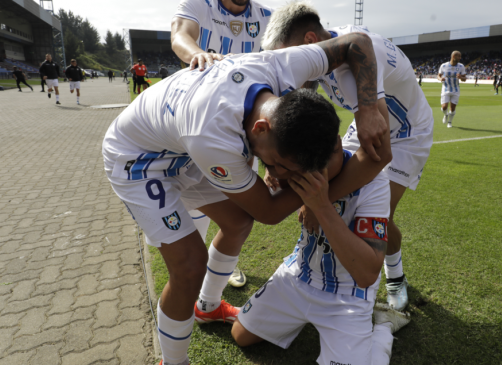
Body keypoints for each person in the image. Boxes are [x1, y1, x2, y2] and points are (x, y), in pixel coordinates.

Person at [103, 36, 389, 365]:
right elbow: (268, 211)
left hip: (181, 147)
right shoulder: (214, 138)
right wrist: (315, 196)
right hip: (138, 160)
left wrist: (367, 108)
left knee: (237, 222)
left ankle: (207, 308)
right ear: (261, 127)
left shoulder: (280, 64)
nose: (279, 176)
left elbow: (357, 43)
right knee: (188, 266)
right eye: (280, 166)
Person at [261, 2, 433, 313]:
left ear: (310, 42)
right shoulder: (329, 49)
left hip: (407, 134)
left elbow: (379, 154)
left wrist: (317, 203)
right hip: (366, 125)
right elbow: (304, 92)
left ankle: (394, 274)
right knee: (329, 190)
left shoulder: (352, 64)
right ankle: (308, 265)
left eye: (289, 58)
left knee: (379, 214)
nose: (289, 70)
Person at [232, 143, 410, 365]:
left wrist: (321, 206)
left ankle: (383, 328)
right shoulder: (295, 166)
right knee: (240, 335)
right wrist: (271, 170)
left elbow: (367, 274)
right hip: (299, 274)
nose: (311, 173)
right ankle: (300, 319)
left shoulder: (374, 182)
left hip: (347, 293)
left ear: (336, 143)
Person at [170, 0, 275, 287]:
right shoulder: (198, 4)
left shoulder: (267, 17)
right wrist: (199, 55)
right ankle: (199, 260)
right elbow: (180, 35)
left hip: (244, 124)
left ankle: (227, 264)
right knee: (197, 197)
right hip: (200, 118)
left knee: (237, 202)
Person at [438, 51, 467, 128]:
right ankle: (446, 115)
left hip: (456, 90)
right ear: (453, 56)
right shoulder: (444, 66)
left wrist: (461, 77)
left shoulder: (461, 66)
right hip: (445, 89)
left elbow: (465, 79)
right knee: (444, 107)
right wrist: (440, 79)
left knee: (452, 108)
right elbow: (438, 76)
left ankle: (449, 122)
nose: (460, 58)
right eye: (459, 56)